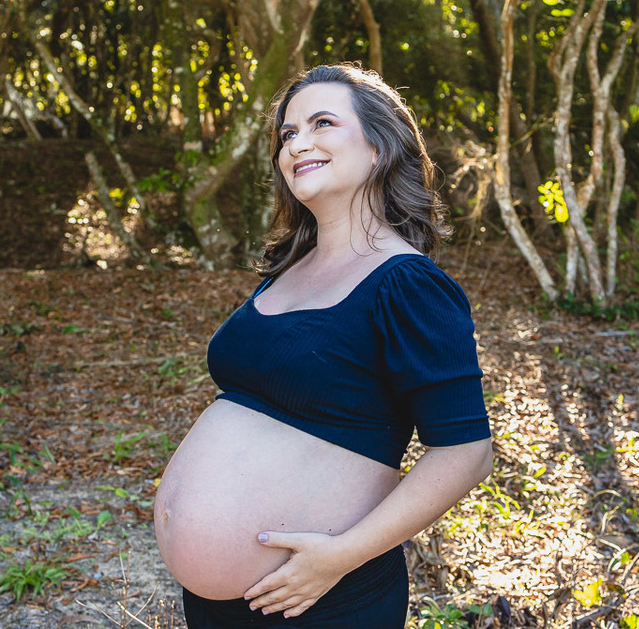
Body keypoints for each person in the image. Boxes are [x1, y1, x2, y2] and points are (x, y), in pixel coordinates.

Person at [154, 64, 493, 628]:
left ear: (380, 147)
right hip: (220, 605)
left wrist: (341, 556)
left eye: (322, 123)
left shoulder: (406, 284)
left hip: (319, 598)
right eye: (288, 134)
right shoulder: (289, 268)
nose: (298, 143)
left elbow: (466, 452)